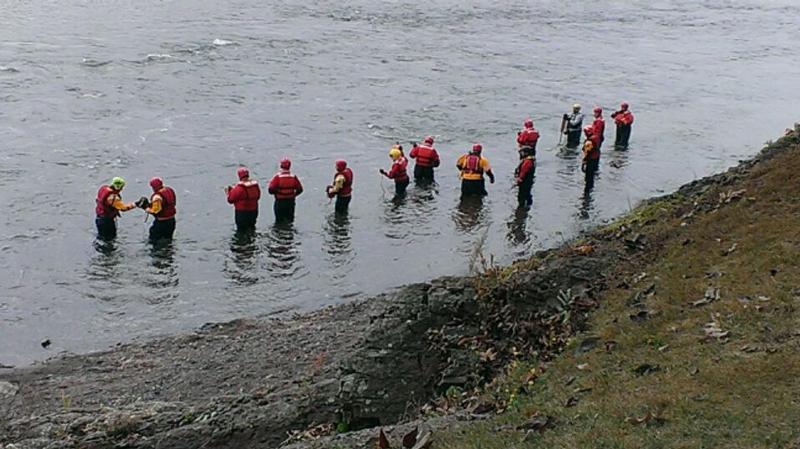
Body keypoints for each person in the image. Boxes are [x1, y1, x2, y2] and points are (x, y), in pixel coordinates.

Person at [141, 177, 177, 241]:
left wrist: (146, 208)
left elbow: (155, 211)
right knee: (168, 239)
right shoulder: (170, 190)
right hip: (172, 221)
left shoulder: (157, 197)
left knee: (154, 241)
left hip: (161, 223)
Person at [225, 166, 261, 231]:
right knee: (252, 228)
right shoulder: (255, 186)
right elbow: (258, 196)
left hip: (242, 213)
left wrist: (229, 192)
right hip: (253, 212)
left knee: (241, 231)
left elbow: (230, 200)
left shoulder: (239, 188)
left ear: (239, 176)